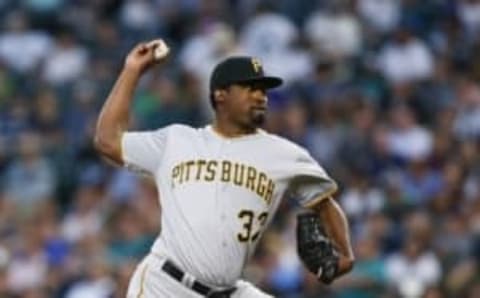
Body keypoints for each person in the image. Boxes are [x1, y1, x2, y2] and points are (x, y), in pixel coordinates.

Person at [94, 39, 354, 298]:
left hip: (229, 291)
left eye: (263, 90)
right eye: (250, 88)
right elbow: (107, 140)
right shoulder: (176, 141)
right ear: (220, 94)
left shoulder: (285, 155)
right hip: (166, 285)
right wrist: (132, 70)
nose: (261, 96)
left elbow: (324, 203)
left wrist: (345, 255)